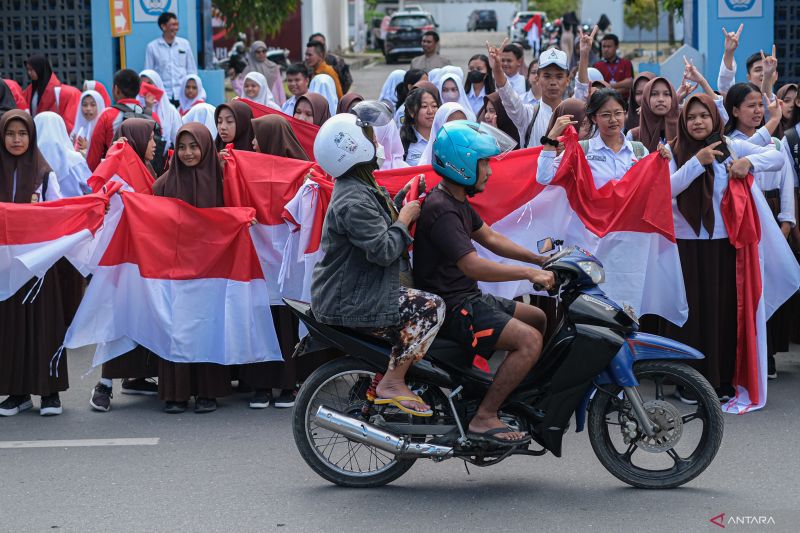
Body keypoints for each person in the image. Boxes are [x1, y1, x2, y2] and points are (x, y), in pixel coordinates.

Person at [413, 121, 555, 444]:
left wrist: (538, 260)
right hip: (454, 309)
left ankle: (514, 393)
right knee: (530, 341)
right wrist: (529, 274)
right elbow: (473, 264)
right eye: (484, 163)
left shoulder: (456, 199)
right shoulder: (442, 209)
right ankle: (485, 416)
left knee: (539, 317)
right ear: (462, 165)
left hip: (467, 299)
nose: (489, 171)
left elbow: (489, 236)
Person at [311, 110, 446, 417]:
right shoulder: (353, 199)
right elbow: (384, 249)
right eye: (370, 139)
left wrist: (402, 202)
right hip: (354, 299)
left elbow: (379, 226)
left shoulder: (362, 187)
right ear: (354, 150)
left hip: (362, 288)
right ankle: (393, 382)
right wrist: (405, 218)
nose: (377, 143)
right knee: (431, 307)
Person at [662, 94, 784, 403]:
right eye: (691, 117)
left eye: (704, 115)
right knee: (690, 314)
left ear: (714, 118)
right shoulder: (672, 151)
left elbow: (778, 158)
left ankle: (721, 380)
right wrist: (696, 163)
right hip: (685, 245)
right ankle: (688, 381)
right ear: (683, 122)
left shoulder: (731, 146)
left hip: (722, 244)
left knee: (721, 312)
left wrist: (748, 162)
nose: (698, 122)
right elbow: (666, 190)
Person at [152, 123, 232, 413]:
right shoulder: (163, 185)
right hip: (176, 274)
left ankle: (208, 392)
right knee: (177, 330)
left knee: (207, 328)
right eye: (182, 147)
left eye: (194, 146)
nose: (187, 153)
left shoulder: (223, 181)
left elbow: (235, 213)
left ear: (206, 147)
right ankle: (176, 392)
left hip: (212, 272)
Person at [724, 83, 795, 378]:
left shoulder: (776, 144)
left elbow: (786, 181)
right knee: (744, 285)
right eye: (750, 106)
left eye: (759, 105)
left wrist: (787, 221)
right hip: (743, 214)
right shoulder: (728, 141)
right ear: (734, 110)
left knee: (770, 282)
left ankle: (768, 355)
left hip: (771, 210)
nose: (757, 111)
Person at [240, 114, 311, 409]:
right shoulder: (244, 169)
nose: (253, 142)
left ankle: (289, 383)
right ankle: (261, 384)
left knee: (287, 322)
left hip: (288, 265)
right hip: (260, 263)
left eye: (258, 136)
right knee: (262, 320)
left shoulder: (305, 173)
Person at [89, 119, 160, 412]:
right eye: (151, 138)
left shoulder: (147, 170)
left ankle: (137, 376)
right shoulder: (122, 172)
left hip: (144, 259)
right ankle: (104, 385)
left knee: (144, 316)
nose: (155, 144)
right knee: (117, 320)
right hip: (122, 262)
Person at [0, 110, 67, 417]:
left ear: (32, 137)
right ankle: (17, 392)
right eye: (11, 133)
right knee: (11, 327)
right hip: (6, 265)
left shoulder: (44, 173)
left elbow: (60, 214)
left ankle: (50, 393)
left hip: (39, 266)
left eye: (22, 133)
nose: (17, 139)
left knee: (44, 325)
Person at [538, 89, 664, 189]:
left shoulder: (639, 150)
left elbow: (654, 186)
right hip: (591, 221)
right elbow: (544, 177)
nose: (613, 120)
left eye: (618, 113)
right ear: (593, 118)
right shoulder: (581, 150)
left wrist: (664, 162)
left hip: (628, 221)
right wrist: (551, 137)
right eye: (606, 115)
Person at [86, 69, 150, 171]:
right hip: (145, 179)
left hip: (116, 180)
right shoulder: (151, 115)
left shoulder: (107, 115)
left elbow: (93, 159)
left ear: (116, 89)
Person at [144, 12, 198, 104]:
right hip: (162, 96)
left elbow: (192, 70)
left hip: (183, 95)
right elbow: (148, 74)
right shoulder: (152, 47)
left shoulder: (185, 44)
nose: (176, 28)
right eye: (173, 25)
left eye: (177, 24)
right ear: (163, 26)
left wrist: (192, 91)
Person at [33, 112, 90, 197]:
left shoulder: (28, 160)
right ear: (61, 129)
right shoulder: (75, 160)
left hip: (38, 208)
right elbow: (90, 187)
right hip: (73, 208)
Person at [23, 55, 81, 132]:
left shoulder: (59, 92)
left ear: (40, 69)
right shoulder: (30, 90)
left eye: (32, 70)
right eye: (28, 70)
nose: (29, 73)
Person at [626, 77, 679, 152]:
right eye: (654, 94)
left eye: (667, 94)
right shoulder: (634, 135)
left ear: (673, 98)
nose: (661, 99)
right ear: (646, 99)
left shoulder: (683, 131)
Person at [139, 69, 183, 150]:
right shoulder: (136, 107)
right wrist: (148, 109)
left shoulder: (170, 110)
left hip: (164, 157)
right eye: (142, 84)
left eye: (149, 83)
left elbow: (178, 138)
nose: (145, 87)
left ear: (157, 85)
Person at [400, 86, 440, 166]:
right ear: (411, 111)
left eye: (434, 106)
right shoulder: (401, 142)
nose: (430, 111)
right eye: (424, 106)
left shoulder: (443, 138)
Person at [244, 40, 286, 106]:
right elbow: (243, 90)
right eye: (258, 52)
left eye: (264, 51)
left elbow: (279, 87)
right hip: (255, 104)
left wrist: (283, 103)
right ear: (252, 53)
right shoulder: (248, 70)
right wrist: (234, 80)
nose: (261, 54)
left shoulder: (273, 67)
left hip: (274, 102)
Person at [593, 34, 633, 99]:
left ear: (616, 47)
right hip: (604, 102)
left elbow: (629, 84)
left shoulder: (626, 63)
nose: (606, 49)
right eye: (603, 46)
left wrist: (609, 87)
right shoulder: (597, 65)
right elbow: (597, 88)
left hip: (624, 102)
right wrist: (620, 85)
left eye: (609, 46)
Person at [71, 90, 106, 157]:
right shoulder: (77, 130)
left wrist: (89, 147)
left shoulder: (104, 130)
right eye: (85, 105)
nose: (88, 109)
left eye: (93, 105)